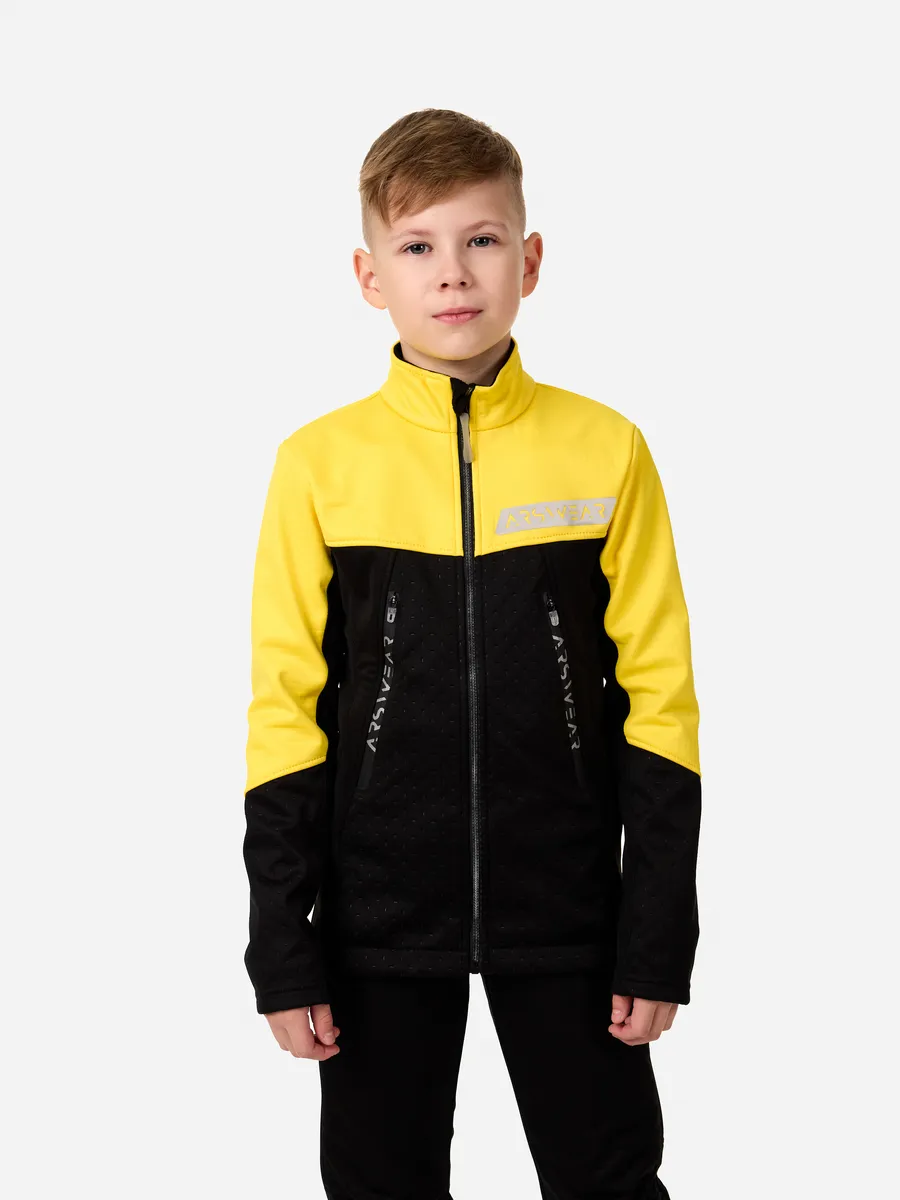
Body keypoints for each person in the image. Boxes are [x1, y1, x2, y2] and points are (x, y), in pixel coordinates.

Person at [242, 107, 702, 1200]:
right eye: (417, 246)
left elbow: (661, 700)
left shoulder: (606, 449)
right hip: (378, 921)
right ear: (370, 276)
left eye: (482, 239)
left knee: (610, 1179)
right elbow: (284, 709)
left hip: (571, 912)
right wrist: (283, 943)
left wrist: (656, 931)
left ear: (529, 261)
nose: (452, 272)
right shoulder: (317, 466)